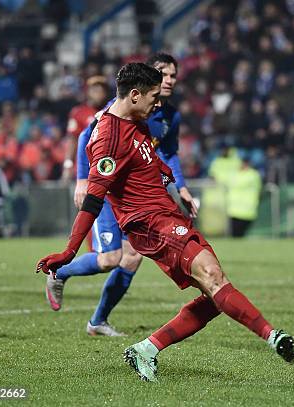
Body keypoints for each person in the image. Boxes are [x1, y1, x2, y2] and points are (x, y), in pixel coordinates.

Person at [36, 63, 294, 382]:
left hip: (167, 214)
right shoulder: (106, 137)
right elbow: (93, 199)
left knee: (215, 299)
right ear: (134, 95)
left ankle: (147, 349)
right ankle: (274, 338)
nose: (158, 104)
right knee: (213, 278)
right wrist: (68, 250)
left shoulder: (138, 120)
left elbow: (145, 154)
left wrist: (167, 174)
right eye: (154, 97)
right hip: (150, 224)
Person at [45, 53, 198, 337]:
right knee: (109, 259)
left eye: (174, 75)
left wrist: (181, 186)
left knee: (132, 258)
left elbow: (168, 153)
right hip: (110, 188)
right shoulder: (124, 106)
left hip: (135, 195)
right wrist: (81, 178)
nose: (170, 80)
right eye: (164, 74)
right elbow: (85, 137)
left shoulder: (170, 116)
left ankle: (97, 322)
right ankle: (61, 272)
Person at [61, 75, 109, 181]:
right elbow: (72, 139)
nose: (99, 93)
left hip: (106, 165)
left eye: (102, 90)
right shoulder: (79, 112)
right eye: (95, 90)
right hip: (85, 166)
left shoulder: (111, 111)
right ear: (88, 92)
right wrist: (68, 163)